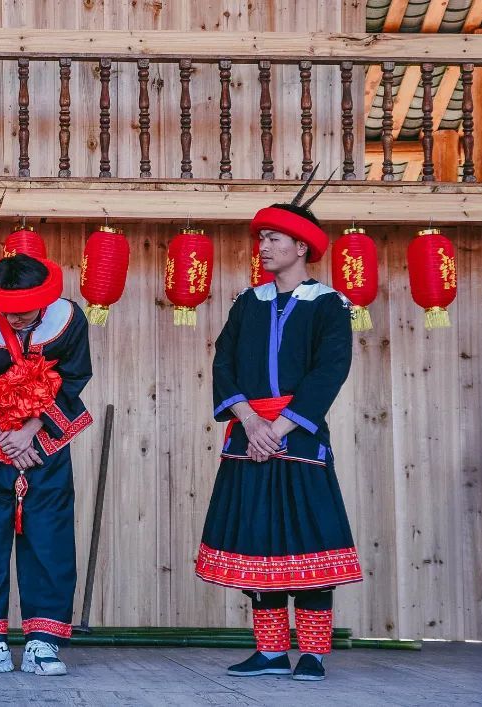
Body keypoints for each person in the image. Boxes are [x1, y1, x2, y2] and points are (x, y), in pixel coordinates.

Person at [194, 173, 361, 682]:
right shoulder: (249, 302)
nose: (263, 247)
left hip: (298, 436)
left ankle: (312, 653)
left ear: (301, 246)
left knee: (308, 539)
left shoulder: (329, 304)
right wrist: (250, 420)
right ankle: (269, 652)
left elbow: (329, 371)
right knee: (258, 538)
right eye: (261, 239)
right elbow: (224, 363)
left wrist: (278, 428)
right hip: (249, 435)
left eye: (273, 238)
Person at [0, 253, 93, 676]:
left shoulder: (70, 320)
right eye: (7, 313)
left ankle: (43, 643)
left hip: (44, 445)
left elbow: (75, 378)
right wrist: (2, 434)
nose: (15, 321)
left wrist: (30, 431)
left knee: (49, 541)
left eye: (24, 314)